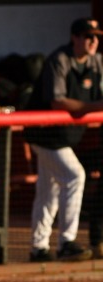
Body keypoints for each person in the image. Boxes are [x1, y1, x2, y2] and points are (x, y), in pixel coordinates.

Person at [25, 17, 103, 262]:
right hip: (44, 133)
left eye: (96, 37)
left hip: (65, 136)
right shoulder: (59, 60)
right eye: (87, 36)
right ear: (74, 37)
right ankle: (67, 241)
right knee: (75, 176)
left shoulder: (97, 62)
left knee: (48, 190)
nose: (93, 41)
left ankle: (38, 247)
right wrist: (93, 107)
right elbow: (57, 101)